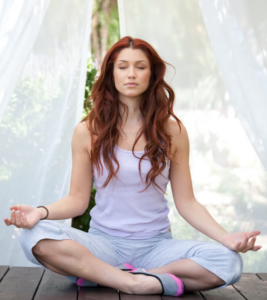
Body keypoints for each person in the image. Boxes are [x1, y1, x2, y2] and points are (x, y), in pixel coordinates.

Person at [3, 36, 262, 297]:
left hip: (157, 249)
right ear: (111, 74)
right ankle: (134, 282)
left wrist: (226, 238)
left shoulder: (173, 132)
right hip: (103, 246)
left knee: (228, 262)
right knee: (32, 236)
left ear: (152, 74)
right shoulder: (87, 131)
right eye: (122, 66)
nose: (131, 74)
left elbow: (187, 203)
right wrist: (40, 212)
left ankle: (113, 277)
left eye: (140, 67)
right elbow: (77, 200)